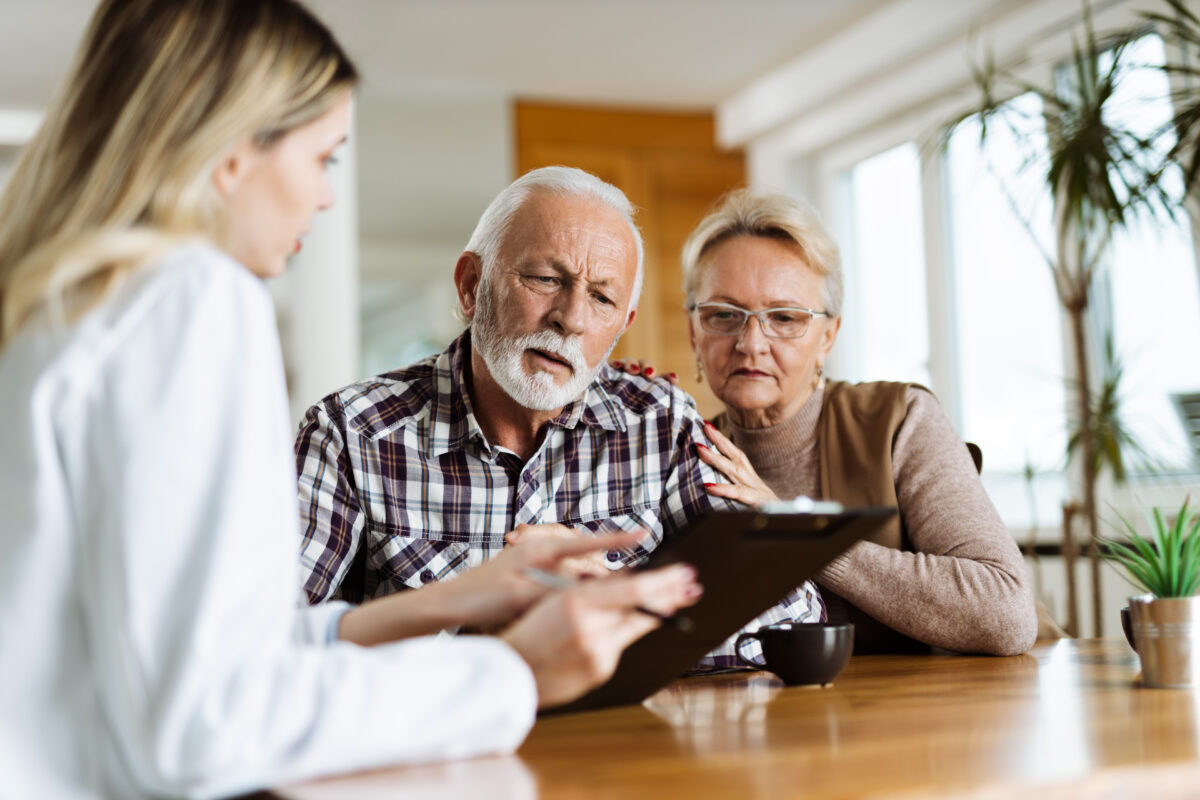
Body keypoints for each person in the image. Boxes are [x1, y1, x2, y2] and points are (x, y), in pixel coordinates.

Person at [0, 2, 703, 797]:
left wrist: (452, 600)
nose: (327, 198)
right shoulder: (191, 297)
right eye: (323, 158)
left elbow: (176, 659)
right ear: (232, 152)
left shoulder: (56, 301)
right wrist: (512, 672)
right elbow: (209, 725)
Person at [294, 166, 825, 668]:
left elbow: (792, 618)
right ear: (471, 285)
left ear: (623, 326)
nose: (571, 319)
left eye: (601, 299)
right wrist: (485, 634)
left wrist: (617, 609)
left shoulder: (660, 423)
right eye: (545, 279)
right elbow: (263, 644)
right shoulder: (350, 433)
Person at [675, 189, 1038, 655]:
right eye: (723, 315)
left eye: (784, 318)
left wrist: (793, 534)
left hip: (949, 714)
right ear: (693, 331)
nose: (751, 342)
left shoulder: (900, 420)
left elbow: (1005, 614)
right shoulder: (680, 455)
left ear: (828, 336)